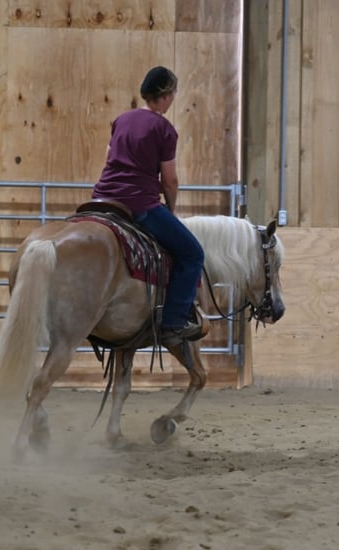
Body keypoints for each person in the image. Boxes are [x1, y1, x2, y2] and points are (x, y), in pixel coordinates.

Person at [92, 66, 204, 344]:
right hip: (138, 203)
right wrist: (171, 208)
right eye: (173, 93)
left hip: (101, 199)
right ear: (165, 96)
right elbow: (170, 181)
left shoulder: (121, 120)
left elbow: (110, 159)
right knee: (192, 254)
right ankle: (174, 323)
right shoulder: (164, 129)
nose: (173, 99)